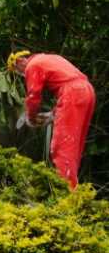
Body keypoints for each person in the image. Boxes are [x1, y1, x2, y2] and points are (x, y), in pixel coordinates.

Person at [8, 50, 96, 189]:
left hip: (73, 93)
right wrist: (52, 114)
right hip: (86, 91)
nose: (21, 74)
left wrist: (31, 118)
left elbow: (33, 96)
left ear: (19, 62)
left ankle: (65, 194)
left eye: (17, 71)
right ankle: (73, 189)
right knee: (73, 147)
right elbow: (67, 82)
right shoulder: (49, 58)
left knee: (61, 148)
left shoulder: (32, 66)